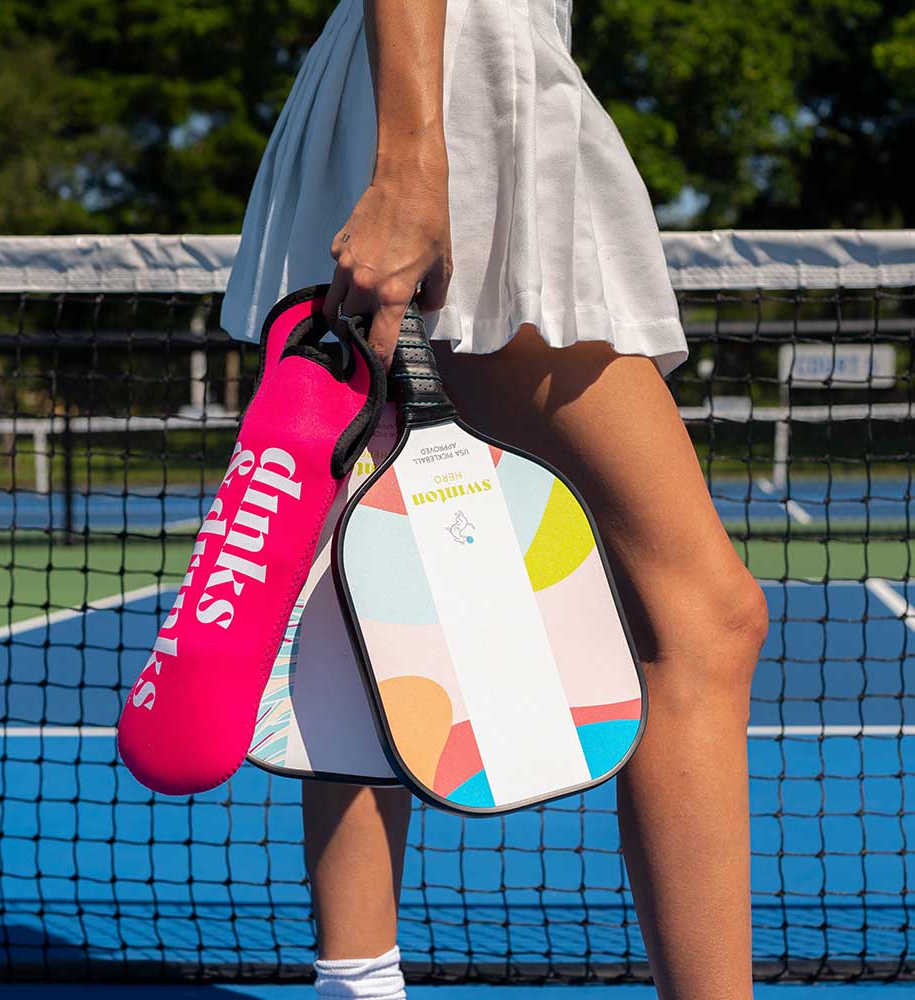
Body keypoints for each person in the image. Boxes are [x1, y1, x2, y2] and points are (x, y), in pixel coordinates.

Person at [220, 2, 768, 997]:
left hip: (409, 102)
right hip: (452, 106)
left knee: (369, 604)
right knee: (702, 617)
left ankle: (358, 984)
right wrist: (411, 166)